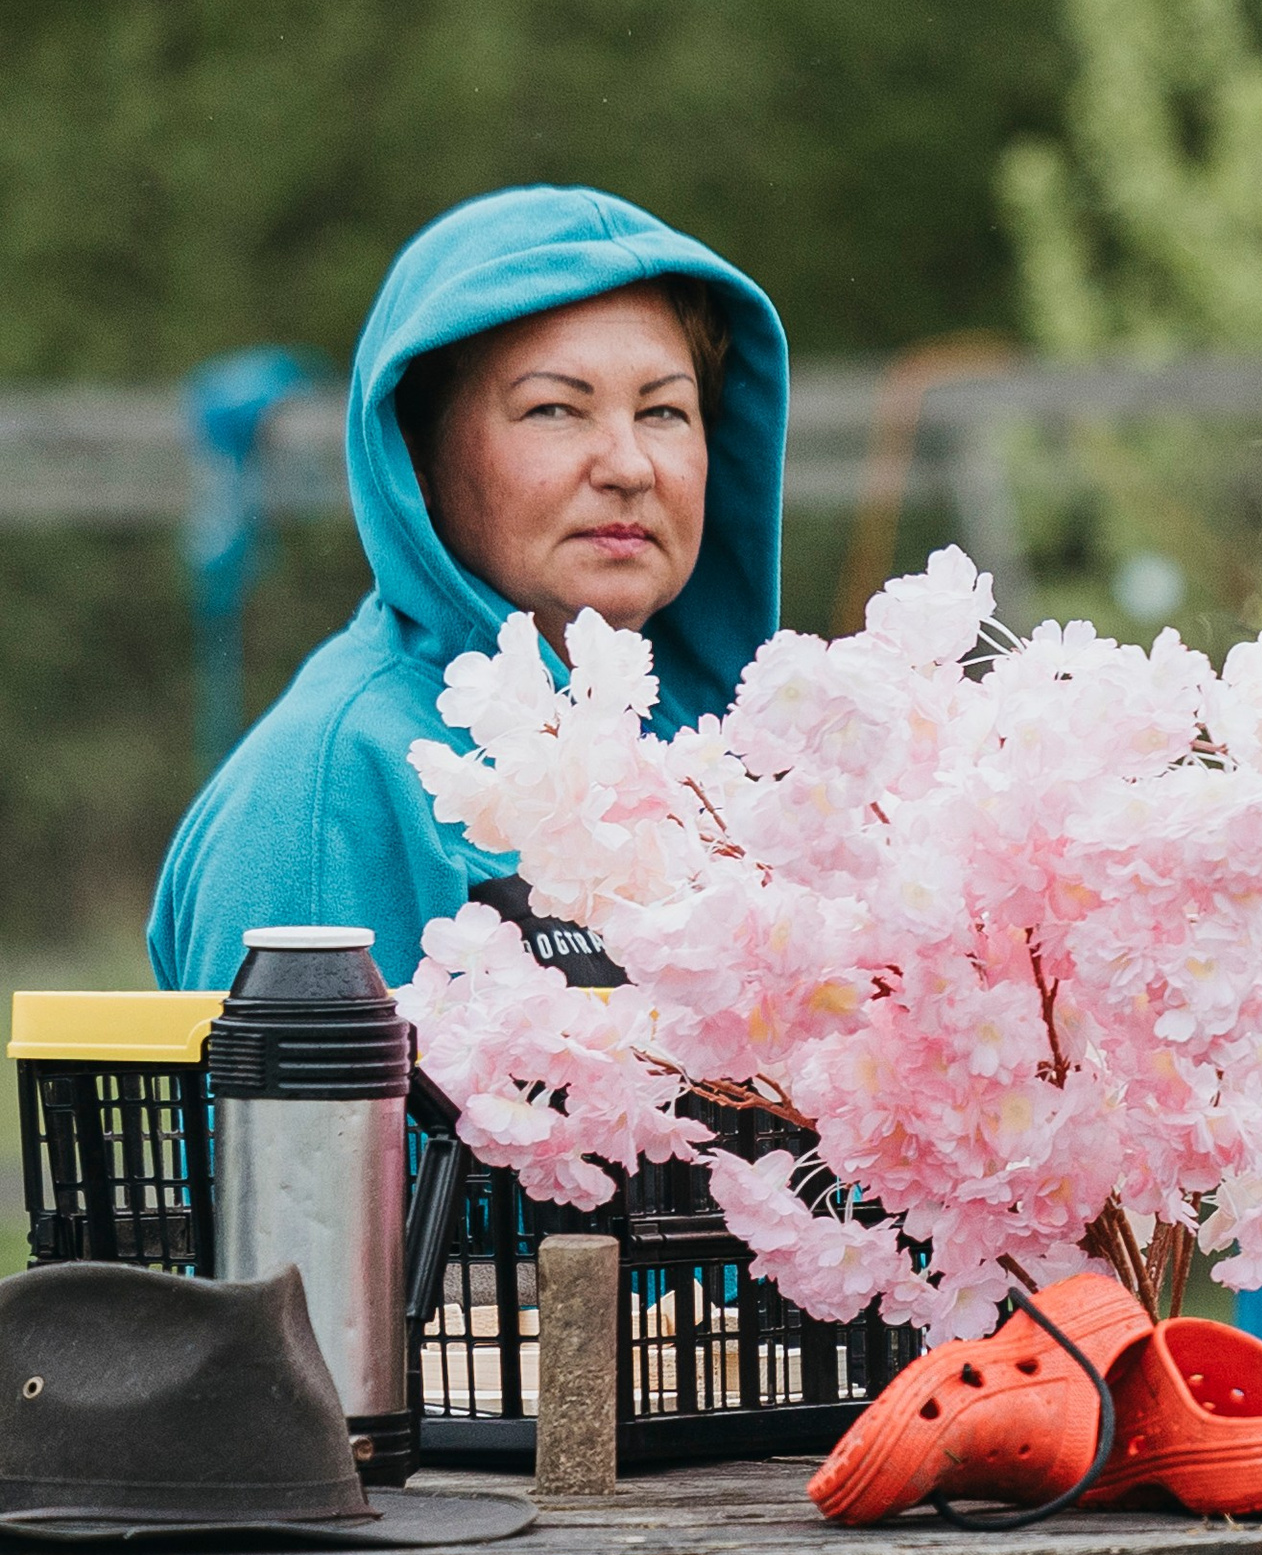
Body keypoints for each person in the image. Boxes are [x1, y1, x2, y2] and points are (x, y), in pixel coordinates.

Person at [150, 186, 788, 992]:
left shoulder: (714, 762)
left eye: (664, 412)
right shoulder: (333, 791)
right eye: (555, 409)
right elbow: (296, 1124)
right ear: (415, 454)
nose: (629, 466)